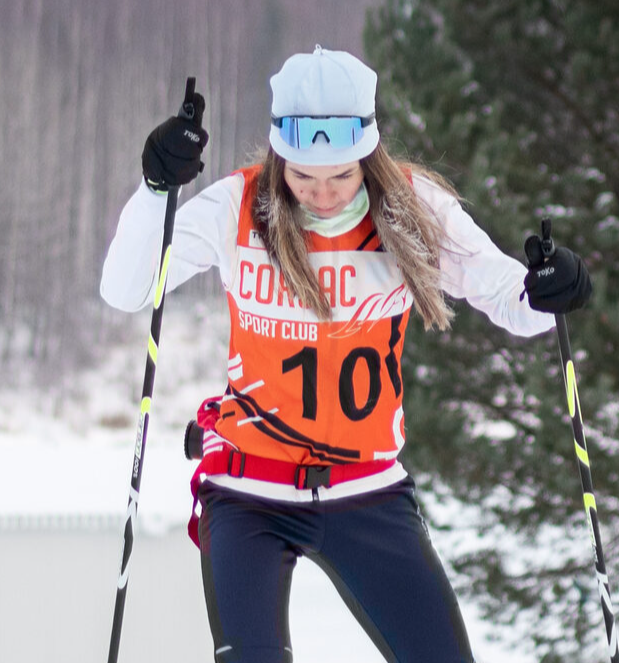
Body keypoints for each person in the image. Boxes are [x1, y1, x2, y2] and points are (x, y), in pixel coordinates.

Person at [100, 46, 591, 662]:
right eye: (303, 177)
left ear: (369, 157)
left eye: (342, 176)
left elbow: (511, 301)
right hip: (250, 491)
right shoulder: (238, 205)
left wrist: (550, 288)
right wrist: (154, 190)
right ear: (279, 156)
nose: (324, 195)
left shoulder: (414, 209)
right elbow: (125, 289)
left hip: (368, 490)